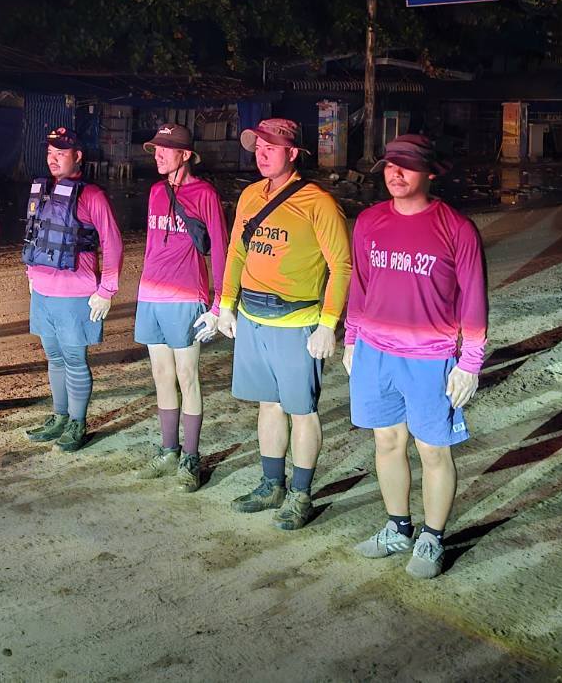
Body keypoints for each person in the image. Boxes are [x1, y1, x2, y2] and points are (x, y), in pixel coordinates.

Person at [344, 135, 485, 579]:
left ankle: (432, 537)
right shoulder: (369, 221)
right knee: (386, 442)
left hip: (430, 358)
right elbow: (360, 284)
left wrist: (470, 362)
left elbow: (474, 300)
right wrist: (351, 339)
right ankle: (398, 527)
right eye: (390, 165)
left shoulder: (456, 228)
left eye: (406, 166)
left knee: (433, 450)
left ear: (429, 172)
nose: (396, 173)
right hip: (375, 353)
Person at [216, 117, 352, 530]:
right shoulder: (250, 196)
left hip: (297, 322)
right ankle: (271, 485)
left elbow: (342, 266)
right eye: (258, 147)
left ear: (292, 153)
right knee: (268, 405)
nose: (261, 155)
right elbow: (236, 253)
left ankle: (300, 494)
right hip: (253, 318)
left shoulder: (318, 202)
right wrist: (226, 304)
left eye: (270, 148)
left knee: (302, 411)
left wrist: (328, 324)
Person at [134, 123, 229, 492]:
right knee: (161, 375)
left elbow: (219, 248)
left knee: (187, 376)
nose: (157, 155)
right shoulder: (156, 191)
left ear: (185, 154)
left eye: (165, 149)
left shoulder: (205, 194)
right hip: (151, 296)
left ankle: (191, 456)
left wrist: (219, 304)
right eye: (155, 149)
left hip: (186, 296)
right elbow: (151, 245)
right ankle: (169, 450)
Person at [21, 126, 124, 452]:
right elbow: (34, 235)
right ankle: (60, 416)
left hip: (76, 294)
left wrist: (106, 290)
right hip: (43, 291)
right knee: (54, 357)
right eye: (49, 153)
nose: (52, 159)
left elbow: (113, 242)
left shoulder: (92, 195)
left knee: (75, 360)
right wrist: (30, 275)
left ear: (77, 156)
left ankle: (78, 423)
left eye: (60, 154)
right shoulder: (43, 191)